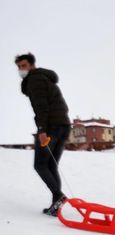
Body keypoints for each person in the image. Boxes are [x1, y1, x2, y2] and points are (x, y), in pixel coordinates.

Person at [15, 53, 71, 216]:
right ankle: (56, 204)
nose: (21, 69)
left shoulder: (35, 80)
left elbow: (41, 107)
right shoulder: (44, 78)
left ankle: (59, 197)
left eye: (23, 66)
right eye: (18, 67)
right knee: (51, 165)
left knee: (40, 165)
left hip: (51, 127)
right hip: (63, 125)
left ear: (32, 65)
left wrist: (42, 130)